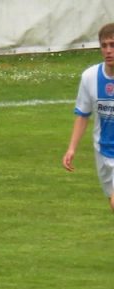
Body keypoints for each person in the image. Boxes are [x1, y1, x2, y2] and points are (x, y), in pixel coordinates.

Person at [63, 23, 114, 214]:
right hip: (102, 151)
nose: (108, 50)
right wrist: (71, 148)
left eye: (113, 45)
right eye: (104, 45)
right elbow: (82, 115)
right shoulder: (90, 77)